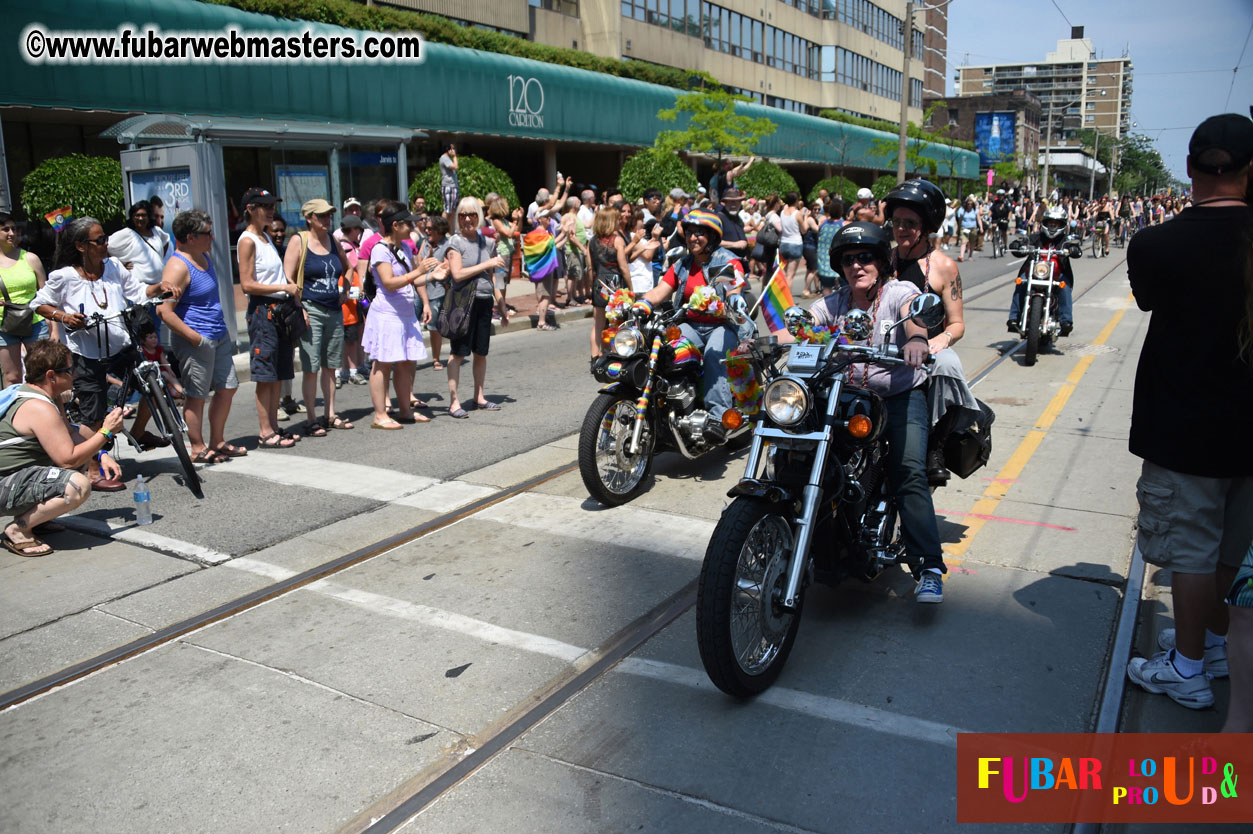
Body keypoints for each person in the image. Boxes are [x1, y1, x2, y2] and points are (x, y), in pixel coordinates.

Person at [1124, 113, 1253, 711]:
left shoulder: (1156, 243)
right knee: (1232, 545)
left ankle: (1187, 667)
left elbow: (1151, 298)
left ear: (1190, 169)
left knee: (1192, 550)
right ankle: (1214, 643)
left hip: (1184, 424)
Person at [798, 222, 947, 602]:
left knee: (908, 471)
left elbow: (915, 317)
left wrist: (916, 339)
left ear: (881, 261)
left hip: (897, 395)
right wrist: (764, 341)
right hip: (843, 397)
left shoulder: (900, 293)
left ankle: (928, 566)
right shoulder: (836, 301)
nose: (856, 266)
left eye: (864, 258)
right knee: (803, 451)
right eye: (848, 260)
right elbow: (805, 325)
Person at [32, 216, 181, 486]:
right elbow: (39, 305)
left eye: (106, 238)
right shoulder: (64, 276)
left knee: (154, 384)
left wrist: (160, 286)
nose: (106, 243)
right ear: (81, 246)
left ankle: (139, 432)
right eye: (99, 240)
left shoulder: (112, 266)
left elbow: (137, 291)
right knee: (94, 414)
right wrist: (64, 317)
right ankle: (93, 469)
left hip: (121, 345)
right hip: (87, 353)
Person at [883, 179, 978, 485]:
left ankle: (934, 447)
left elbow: (957, 324)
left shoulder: (944, 266)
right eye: (896, 222)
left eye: (910, 223)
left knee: (949, 365)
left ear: (926, 226)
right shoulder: (884, 261)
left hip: (926, 353)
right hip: (883, 348)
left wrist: (939, 341)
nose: (901, 229)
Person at [0, 340, 122, 556]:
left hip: (14, 477)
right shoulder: (38, 407)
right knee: (77, 486)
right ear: (50, 375)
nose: (74, 375)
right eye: (69, 370)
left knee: (82, 444)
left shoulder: (47, 398)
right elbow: (67, 459)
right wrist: (106, 432)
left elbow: (72, 435)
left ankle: (37, 520)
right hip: (5, 483)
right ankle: (18, 529)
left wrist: (101, 453)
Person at [636, 209, 746, 442]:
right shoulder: (682, 265)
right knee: (669, 352)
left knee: (714, 353)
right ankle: (675, 407)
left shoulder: (727, 261)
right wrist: (641, 303)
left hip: (723, 324)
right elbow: (660, 290)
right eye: (689, 233)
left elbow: (734, 290)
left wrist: (730, 301)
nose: (693, 238)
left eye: (700, 233)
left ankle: (718, 418)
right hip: (691, 324)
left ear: (713, 237)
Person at [153, 209, 240, 464]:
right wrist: (194, 337)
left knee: (228, 387)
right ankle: (197, 447)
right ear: (190, 237)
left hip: (218, 333)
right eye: (207, 233)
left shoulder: (203, 255)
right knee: (197, 395)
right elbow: (163, 310)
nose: (212, 237)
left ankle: (218, 441)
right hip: (197, 339)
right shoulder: (178, 266)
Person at [363, 201, 440, 429]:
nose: (412, 227)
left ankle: (406, 410)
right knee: (383, 364)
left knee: (405, 363)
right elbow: (388, 283)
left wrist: (434, 276)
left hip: (405, 314)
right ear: (395, 225)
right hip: (387, 315)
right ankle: (380, 415)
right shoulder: (379, 249)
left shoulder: (406, 247)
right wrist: (418, 271)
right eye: (408, 223)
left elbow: (413, 279)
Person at [237, 187, 300, 449]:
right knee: (265, 376)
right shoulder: (247, 240)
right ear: (251, 209)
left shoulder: (264, 237)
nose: (271, 210)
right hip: (263, 311)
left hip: (280, 310)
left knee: (278, 373)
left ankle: (274, 426)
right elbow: (247, 284)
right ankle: (265, 431)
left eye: (273, 205)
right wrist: (283, 288)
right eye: (265, 206)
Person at [284, 198, 353, 436]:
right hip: (310, 308)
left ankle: (330, 414)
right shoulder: (299, 240)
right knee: (311, 366)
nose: (327, 219)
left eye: (328, 215)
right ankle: (311, 418)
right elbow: (288, 278)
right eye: (322, 215)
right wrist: (299, 306)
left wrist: (346, 290)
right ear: (309, 218)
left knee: (331, 366)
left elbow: (348, 266)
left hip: (334, 310)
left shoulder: (333, 241)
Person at [446, 196, 508, 418]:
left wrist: (502, 306)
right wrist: (487, 264)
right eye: (462, 215)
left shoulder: (488, 243)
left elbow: (496, 278)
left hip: (484, 300)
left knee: (481, 352)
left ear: (479, 216)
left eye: (472, 215)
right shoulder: (455, 243)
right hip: (463, 303)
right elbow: (457, 274)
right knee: (458, 353)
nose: (467, 220)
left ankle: (479, 396)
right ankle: (454, 402)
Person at [0, 213, 55, 386]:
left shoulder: (30, 258)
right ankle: (14, 412)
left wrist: (54, 330)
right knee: (12, 377)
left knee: (43, 372)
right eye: (5, 229)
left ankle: (52, 411)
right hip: (4, 324)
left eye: (13, 229)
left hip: (35, 321)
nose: (11, 233)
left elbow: (46, 294)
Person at [1007, 205, 1075, 337]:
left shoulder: (1064, 240)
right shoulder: (1036, 237)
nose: (1053, 226)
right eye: (1050, 223)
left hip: (1058, 274)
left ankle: (1066, 321)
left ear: (1062, 225)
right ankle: (1014, 318)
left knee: (1064, 287)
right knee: (1021, 283)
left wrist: (1073, 249)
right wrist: (1018, 245)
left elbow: (1075, 248)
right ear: (1044, 223)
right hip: (1033, 272)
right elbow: (1023, 242)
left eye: (1056, 224)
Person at [587, 206, 630, 361]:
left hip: (599, 282)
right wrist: (631, 288)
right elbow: (623, 267)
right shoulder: (617, 240)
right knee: (617, 322)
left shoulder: (592, 242)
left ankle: (594, 357)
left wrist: (591, 286)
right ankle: (615, 353)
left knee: (598, 324)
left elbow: (590, 267)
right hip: (615, 283)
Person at [335, 214, 369, 386]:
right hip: (348, 298)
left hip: (354, 297)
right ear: (354, 230)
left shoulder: (350, 246)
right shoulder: (345, 248)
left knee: (356, 333)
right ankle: (346, 371)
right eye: (358, 230)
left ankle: (355, 367)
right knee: (348, 337)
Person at [107, 200, 170, 286]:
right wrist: (120, 266)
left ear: (149, 217)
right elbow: (104, 246)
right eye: (137, 215)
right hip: (139, 286)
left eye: (143, 215)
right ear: (132, 217)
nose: (140, 218)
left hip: (159, 284)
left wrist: (159, 259)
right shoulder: (127, 233)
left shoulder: (156, 231)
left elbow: (166, 241)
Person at [778, 192, 806, 296]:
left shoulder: (782, 211)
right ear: (796, 201)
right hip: (795, 243)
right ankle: (787, 299)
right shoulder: (797, 213)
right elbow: (804, 230)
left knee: (784, 274)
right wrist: (806, 217)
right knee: (790, 275)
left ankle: (781, 296)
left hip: (784, 243)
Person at [815, 198, 844, 294]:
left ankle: (826, 308)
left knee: (826, 288)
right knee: (845, 288)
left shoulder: (823, 223)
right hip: (838, 260)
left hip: (823, 260)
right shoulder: (843, 224)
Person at [715, 188, 751, 261]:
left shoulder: (737, 218)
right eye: (731, 202)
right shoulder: (719, 218)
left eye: (737, 201)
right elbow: (712, 241)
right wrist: (735, 244)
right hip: (725, 262)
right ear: (725, 203)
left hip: (740, 262)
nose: (734, 204)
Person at [955, 195, 982, 262]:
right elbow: (960, 220)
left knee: (972, 242)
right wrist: (958, 228)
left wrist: (981, 227)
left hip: (973, 228)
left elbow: (978, 219)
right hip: (964, 228)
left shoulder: (975, 211)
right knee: (964, 242)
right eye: (968, 204)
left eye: (971, 204)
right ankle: (961, 256)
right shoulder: (962, 211)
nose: (969, 205)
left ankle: (970, 256)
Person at [439, 143, 459, 224]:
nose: (454, 151)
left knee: (453, 210)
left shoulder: (447, 158)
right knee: (447, 209)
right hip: (448, 186)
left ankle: (451, 232)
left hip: (453, 186)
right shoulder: (444, 158)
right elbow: (455, 167)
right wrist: (454, 157)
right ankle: (441, 229)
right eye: (452, 149)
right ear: (448, 150)